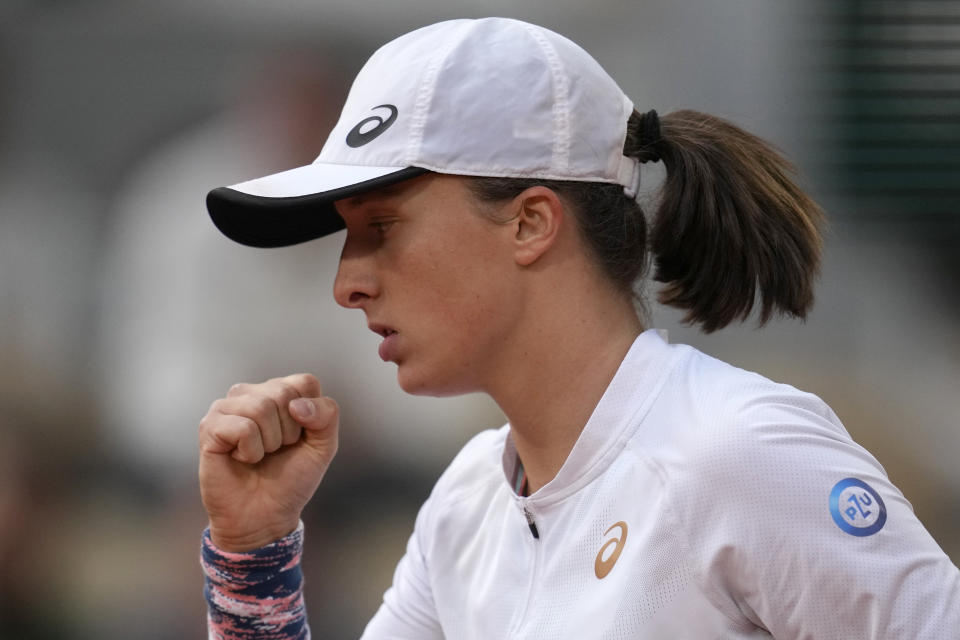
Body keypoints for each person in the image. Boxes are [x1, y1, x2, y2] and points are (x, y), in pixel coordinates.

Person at [198, 17, 960, 639]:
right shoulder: (467, 501)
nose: (347, 283)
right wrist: (253, 556)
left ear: (531, 223)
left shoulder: (740, 453)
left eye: (384, 227)